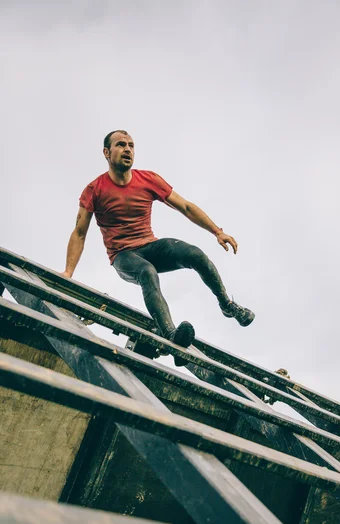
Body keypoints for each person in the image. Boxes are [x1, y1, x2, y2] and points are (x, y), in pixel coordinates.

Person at [62, 130, 254, 359]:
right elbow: (80, 232)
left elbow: (185, 207)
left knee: (195, 254)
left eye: (131, 146)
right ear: (106, 152)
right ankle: (171, 334)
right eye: (121, 145)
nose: (127, 150)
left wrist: (217, 231)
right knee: (147, 272)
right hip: (123, 256)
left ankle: (227, 305)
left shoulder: (148, 180)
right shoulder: (94, 190)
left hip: (150, 246)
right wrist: (68, 273)